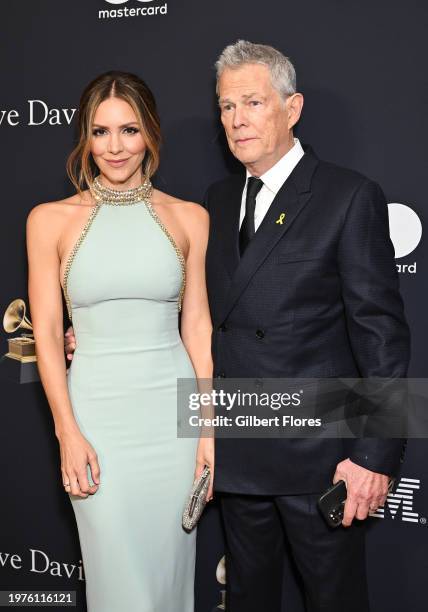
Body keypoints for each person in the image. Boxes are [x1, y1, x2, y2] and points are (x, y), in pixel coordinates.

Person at [65, 43, 410, 611]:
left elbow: (383, 337)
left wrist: (374, 456)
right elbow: (201, 320)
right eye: (226, 106)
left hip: (320, 459)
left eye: (253, 102)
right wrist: (103, 337)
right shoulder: (216, 202)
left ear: (292, 107)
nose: (237, 119)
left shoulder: (348, 197)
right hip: (237, 455)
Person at [26, 70, 213, 612]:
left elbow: (197, 329)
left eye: (129, 130)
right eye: (101, 131)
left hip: (171, 426)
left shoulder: (189, 218)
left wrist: (206, 435)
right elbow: (44, 332)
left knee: (166, 585)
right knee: (121, 588)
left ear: (150, 133)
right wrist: (67, 432)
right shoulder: (49, 221)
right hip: (96, 424)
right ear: (85, 136)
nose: (115, 147)